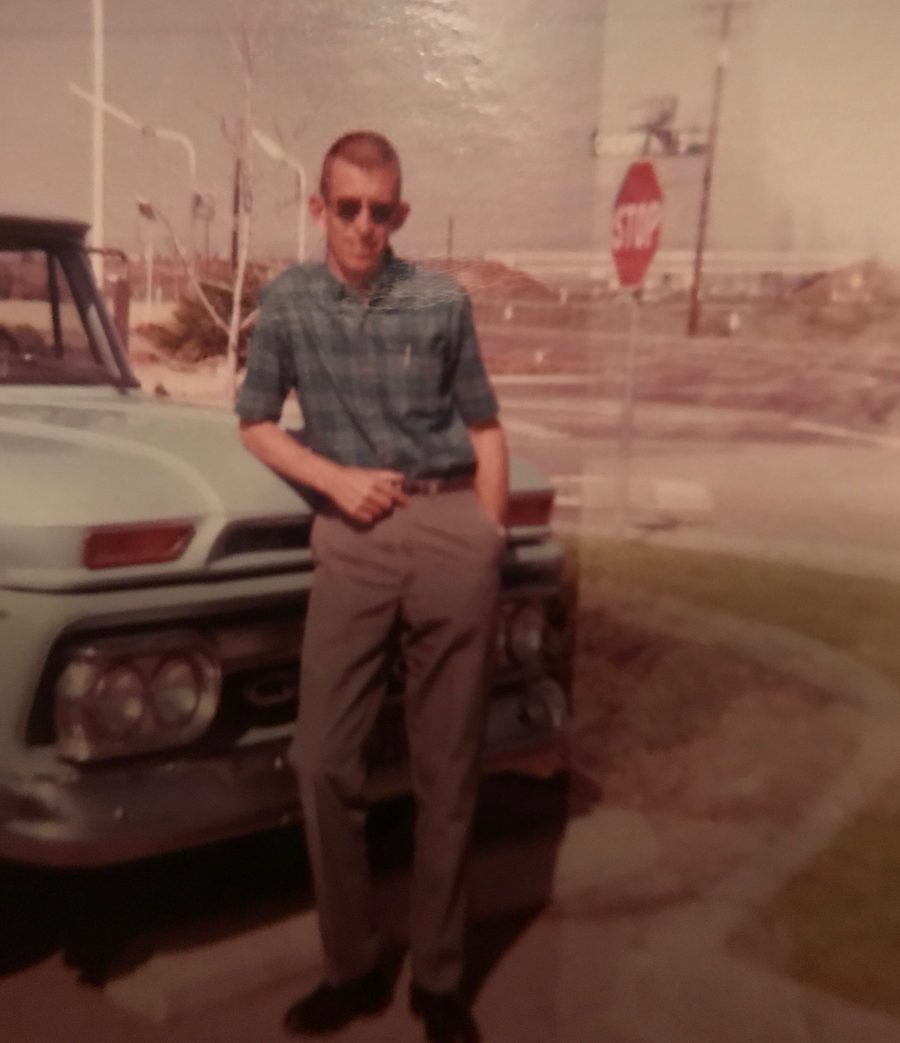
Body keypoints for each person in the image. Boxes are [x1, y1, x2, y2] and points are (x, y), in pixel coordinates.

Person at [236, 130, 508, 1043]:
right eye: (346, 206)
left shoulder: (439, 298)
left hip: (446, 530)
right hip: (350, 536)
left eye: (379, 209)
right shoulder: (287, 301)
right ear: (320, 208)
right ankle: (350, 968)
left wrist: (489, 535)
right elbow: (255, 423)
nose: (363, 224)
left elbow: (486, 430)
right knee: (322, 759)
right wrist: (333, 481)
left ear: (400, 211)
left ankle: (438, 979)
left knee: (447, 768)